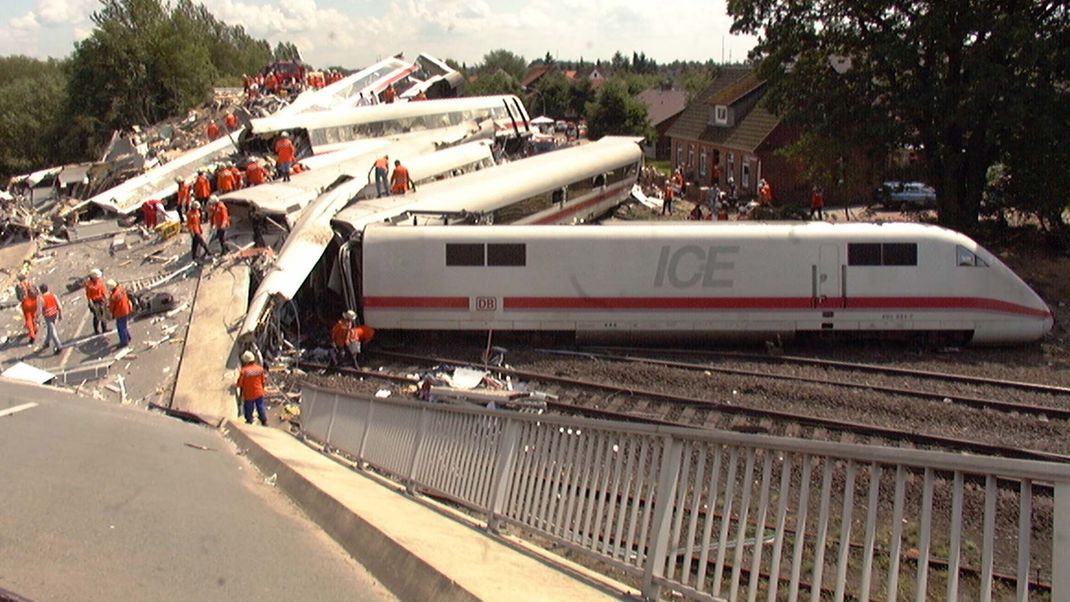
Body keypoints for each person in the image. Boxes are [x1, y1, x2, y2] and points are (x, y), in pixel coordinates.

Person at [236, 350, 268, 426]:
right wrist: (263, 389)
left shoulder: (244, 371)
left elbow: (240, 383)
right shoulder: (260, 369)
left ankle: (249, 421)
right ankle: (264, 421)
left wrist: (236, 385)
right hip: (259, 392)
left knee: (249, 408)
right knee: (260, 406)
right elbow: (263, 381)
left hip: (249, 393)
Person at [14, 273, 38, 344]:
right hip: (34, 301)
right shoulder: (30, 282)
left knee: (28, 319)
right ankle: (35, 328)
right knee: (34, 316)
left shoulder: (19, 286)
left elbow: (19, 297)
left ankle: (32, 335)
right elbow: (36, 291)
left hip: (26, 303)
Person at [108, 279, 132, 348]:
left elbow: (112, 307)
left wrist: (111, 312)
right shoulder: (121, 289)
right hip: (126, 309)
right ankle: (128, 337)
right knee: (124, 325)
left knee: (121, 327)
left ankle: (124, 341)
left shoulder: (113, 296)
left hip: (120, 313)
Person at [38, 284, 62, 355]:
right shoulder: (53, 295)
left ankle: (59, 346)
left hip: (48, 316)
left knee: (53, 332)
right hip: (55, 314)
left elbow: (39, 310)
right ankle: (46, 342)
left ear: (41, 290)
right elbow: (59, 306)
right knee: (50, 329)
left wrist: (37, 317)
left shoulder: (42, 299)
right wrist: (60, 314)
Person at [84, 268, 109, 334]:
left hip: (102, 300)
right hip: (95, 302)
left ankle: (104, 328)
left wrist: (106, 299)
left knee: (103, 315)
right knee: (97, 317)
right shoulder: (89, 285)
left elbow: (103, 290)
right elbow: (88, 295)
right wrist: (90, 302)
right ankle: (96, 330)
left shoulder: (100, 281)